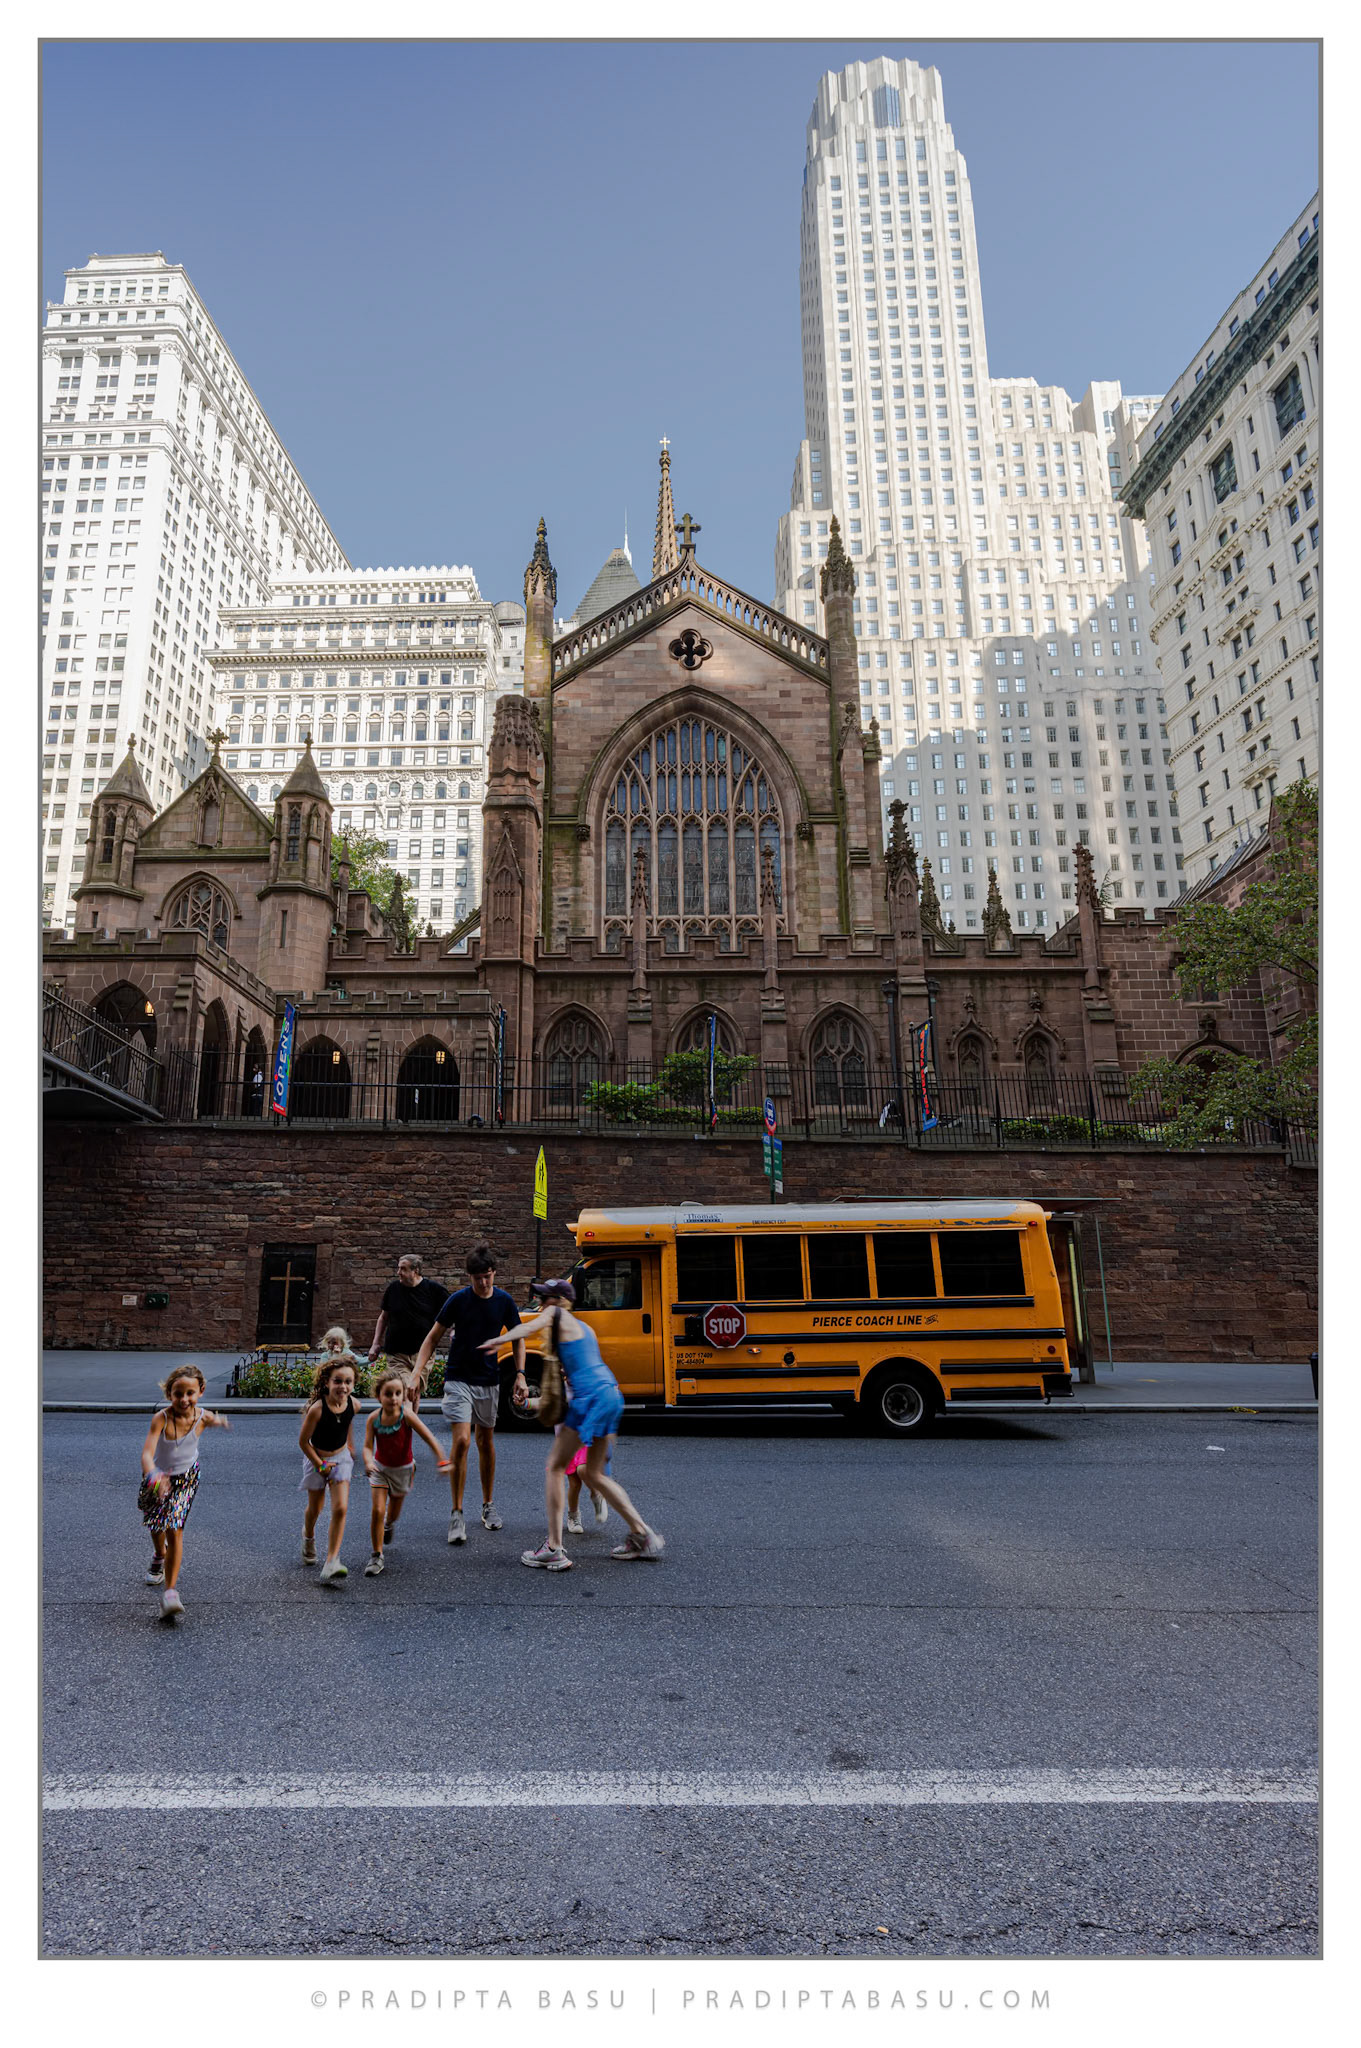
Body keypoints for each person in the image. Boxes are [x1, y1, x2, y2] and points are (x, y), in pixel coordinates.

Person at [483, 1278, 663, 1572]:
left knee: (555, 1466)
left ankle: (554, 1548)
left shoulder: (557, 1315)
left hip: (590, 1398)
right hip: (610, 1394)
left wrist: (499, 1339)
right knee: (594, 1474)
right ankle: (643, 1534)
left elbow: (528, 1327)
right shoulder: (585, 1328)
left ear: (558, 1301)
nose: (541, 1304)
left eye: (544, 1298)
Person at [414, 1244, 525, 1546]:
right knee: (462, 1440)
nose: (483, 1283)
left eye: (487, 1277)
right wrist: (416, 1373)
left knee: (485, 1441)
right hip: (459, 1377)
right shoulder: (458, 1301)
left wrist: (520, 1374)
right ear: (470, 1277)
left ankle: (488, 1505)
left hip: (489, 1380)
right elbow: (432, 1337)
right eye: (478, 1278)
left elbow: (518, 1338)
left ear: (494, 1274)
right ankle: (456, 1512)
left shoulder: (504, 1301)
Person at [138, 1364, 231, 1620]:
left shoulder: (203, 1417)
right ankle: (159, 1554)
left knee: (174, 1528)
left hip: (187, 1480)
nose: (184, 1399)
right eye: (178, 1394)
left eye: (190, 1393)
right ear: (170, 1394)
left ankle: (170, 1593)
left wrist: (221, 1422)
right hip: (157, 1478)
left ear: (200, 1391)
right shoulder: (161, 1418)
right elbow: (147, 1453)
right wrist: (154, 1474)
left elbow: (212, 1420)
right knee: (156, 1526)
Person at [361, 1366, 450, 1576]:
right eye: (388, 1394)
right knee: (377, 1510)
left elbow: (429, 1437)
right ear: (378, 1396)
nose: (393, 1398)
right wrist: (367, 1461)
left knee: (392, 1513)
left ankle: (389, 1525)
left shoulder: (406, 1415)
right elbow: (366, 1446)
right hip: (380, 1469)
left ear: (403, 1395)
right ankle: (376, 1555)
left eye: (398, 1394)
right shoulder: (373, 1419)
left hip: (403, 1470)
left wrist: (442, 1460)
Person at [298, 1353, 358, 1583]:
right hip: (316, 1458)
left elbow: (348, 1420)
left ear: (353, 1384)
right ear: (326, 1382)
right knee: (316, 1507)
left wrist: (350, 1444)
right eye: (338, 1381)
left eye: (348, 1382)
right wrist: (320, 1464)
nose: (343, 1386)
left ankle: (332, 1560)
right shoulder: (317, 1409)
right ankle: (308, 1536)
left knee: (341, 1508)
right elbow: (303, 1442)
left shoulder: (354, 1403)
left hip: (341, 1459)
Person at [368, 1253, 447, 1409]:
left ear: (415, 1270)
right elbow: (383, 1318)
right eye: (398, 1268)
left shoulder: (434, 1290)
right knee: (404, 1389)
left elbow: (452, 1312)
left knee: (413, 1392)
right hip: (396, 1353)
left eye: (403, 1269)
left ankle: (408, 1428)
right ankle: (405, 1425)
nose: (398, 1272)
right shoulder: (393, 1289)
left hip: (422, 1354)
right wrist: (375, 1343)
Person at [564, 1438, 609, 1535]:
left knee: (582, 1469)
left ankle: (596, 1494)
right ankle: (573, 1516)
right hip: (568, 1435)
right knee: (574, 1483)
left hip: (586, 1434)